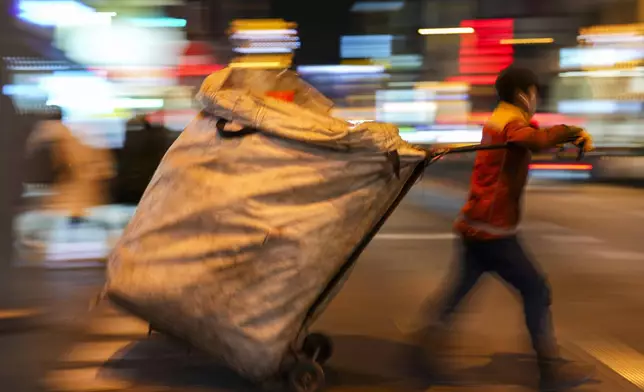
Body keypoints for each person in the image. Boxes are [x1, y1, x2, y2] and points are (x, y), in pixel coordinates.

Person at [418, 66, 594, 391]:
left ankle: (422, 354)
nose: (536, 99)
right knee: (536, 289)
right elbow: (534, 140)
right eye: (535, 92)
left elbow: (537, 137)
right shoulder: (510, 123)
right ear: (524, 94)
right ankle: (550, 373)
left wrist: (568, 136)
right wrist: (571, 130)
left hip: (476, 225)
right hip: (492, 230)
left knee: (458, 292)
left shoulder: (503, 118)